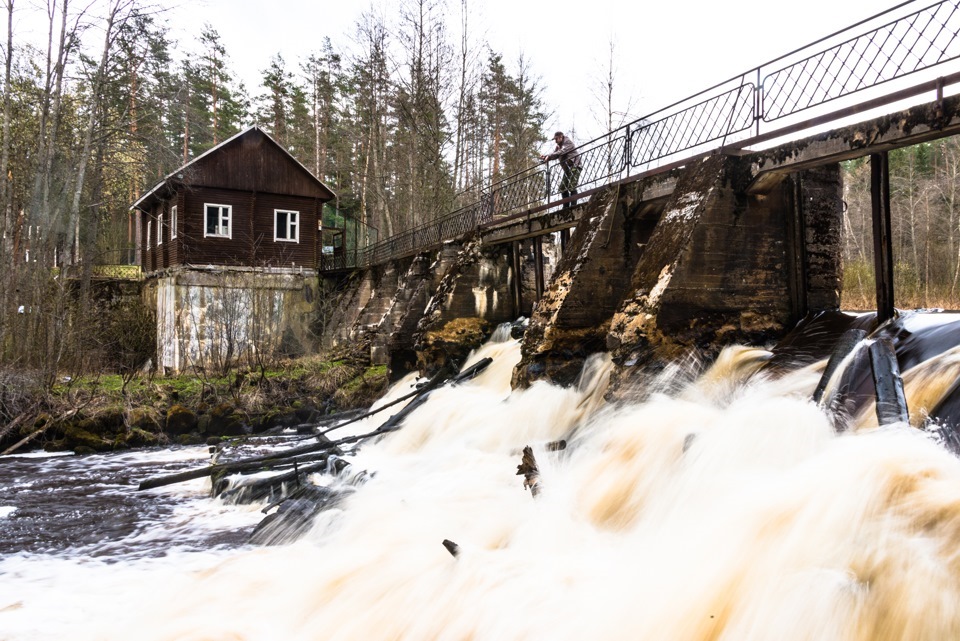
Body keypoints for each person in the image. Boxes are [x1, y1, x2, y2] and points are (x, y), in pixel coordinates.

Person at [540, 131, 582, 207]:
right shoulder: (558, 146)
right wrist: (546, 157)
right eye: (554, 139)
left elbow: (562, 151)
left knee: (572, 186)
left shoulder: (567, 142)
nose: (555, 141)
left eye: (556, 139)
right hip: (567, 168)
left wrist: (549, 156)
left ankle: (573, 206)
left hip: (575, 165)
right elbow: (555, 155)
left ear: (561, 137)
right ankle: (565, 206)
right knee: (563, 187)